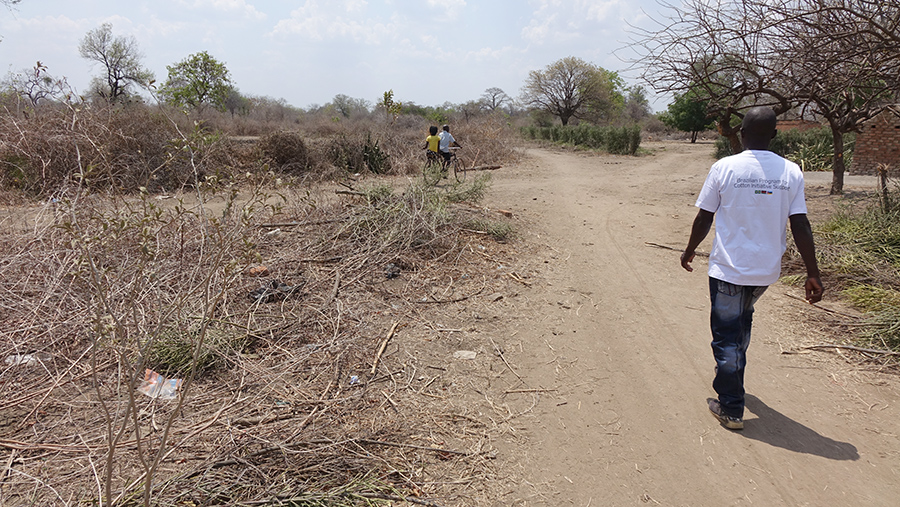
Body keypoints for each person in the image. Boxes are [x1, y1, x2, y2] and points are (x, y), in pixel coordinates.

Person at [680, 106, 823, 431]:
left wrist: (690, 250)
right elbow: (800, 224)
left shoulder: (724, 168)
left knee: (726, 337)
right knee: (741, 325)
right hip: (765, 272)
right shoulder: (791, 172)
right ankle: (734, 380)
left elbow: (705, 217)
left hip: (729, 270)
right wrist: (812, 272)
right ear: (774, 135)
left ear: (741, 134)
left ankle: (730, 407)